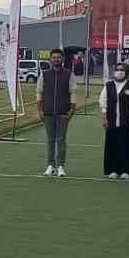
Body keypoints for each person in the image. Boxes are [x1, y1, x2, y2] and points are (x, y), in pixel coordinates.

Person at [98, 62, 129, 179]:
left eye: (122, 70)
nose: (119, 71)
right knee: (112, 145)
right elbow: (103, 103)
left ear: (126, 72)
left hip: (127, 121)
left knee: (127, 145)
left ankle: (126, 171)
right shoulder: (108, 85)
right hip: (112, 121)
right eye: (117, 69)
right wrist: (104, 118)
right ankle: (112, 170)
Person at [36, 48, 74, 177]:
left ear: (62, 59)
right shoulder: (44, 74)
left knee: (61, 140)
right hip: (48, 113)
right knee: (50, 140)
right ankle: (50, 165)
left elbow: (72, 92)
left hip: (63, 112)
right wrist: (39, 110)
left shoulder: (69, 74)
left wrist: (71, 110)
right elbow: (39, 92)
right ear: (50, 59)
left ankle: (61, 166)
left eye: (58, 57)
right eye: (54, 57)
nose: (56, 59)